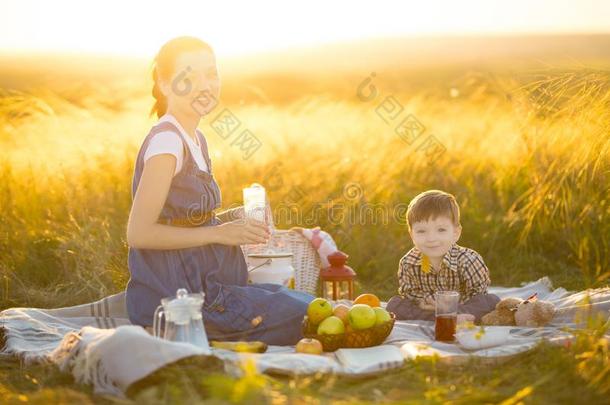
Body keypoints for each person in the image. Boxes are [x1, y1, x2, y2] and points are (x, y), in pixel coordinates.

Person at [125, 36, 314, 345]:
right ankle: (171, 332)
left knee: (303, 301)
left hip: (213, 287)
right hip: (181, 297)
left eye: (211, 73)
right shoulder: (166, 143)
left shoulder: (195, 138)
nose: (204, 84)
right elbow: (139, 233)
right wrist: (220, 233)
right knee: (307, 315)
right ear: (164, 84)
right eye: (189, 75)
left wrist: (234, 221)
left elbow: (183, 218)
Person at [386, 190, 500, 322]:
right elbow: (410, 293)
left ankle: (453, 316)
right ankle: (442, 318)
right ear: (412, 235)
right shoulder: (408, 262)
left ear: (455, 233)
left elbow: (477, 294)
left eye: (441, 230)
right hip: (429, 309)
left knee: (489, 301)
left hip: (462, 306)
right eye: (421, 231)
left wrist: (450, 306)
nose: (431, 238)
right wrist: (423, 302)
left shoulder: (468, 260)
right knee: (394, 304)